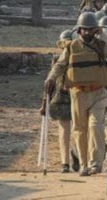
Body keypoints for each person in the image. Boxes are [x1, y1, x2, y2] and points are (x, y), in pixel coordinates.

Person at [44, 13, 107, 176]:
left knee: (96, 126)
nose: (88, 33)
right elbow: (60, 65)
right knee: (80, 129)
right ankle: (84, 164)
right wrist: (51, 78)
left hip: (99, 92)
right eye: (85, 29)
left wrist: (102, 35)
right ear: (79, 30)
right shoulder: (71, 47)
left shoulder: (101, 45)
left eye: (91, 29)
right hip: (78, 94)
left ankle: (96, 163)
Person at [40, 29, 79, 173]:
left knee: (74, 129)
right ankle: (66, 161)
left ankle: (72, 157)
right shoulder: (59, 59)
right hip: (64, 95)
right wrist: (44, 102)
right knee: (69, 129)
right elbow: (50, 83)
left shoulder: (75, 56)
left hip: (76, 95)